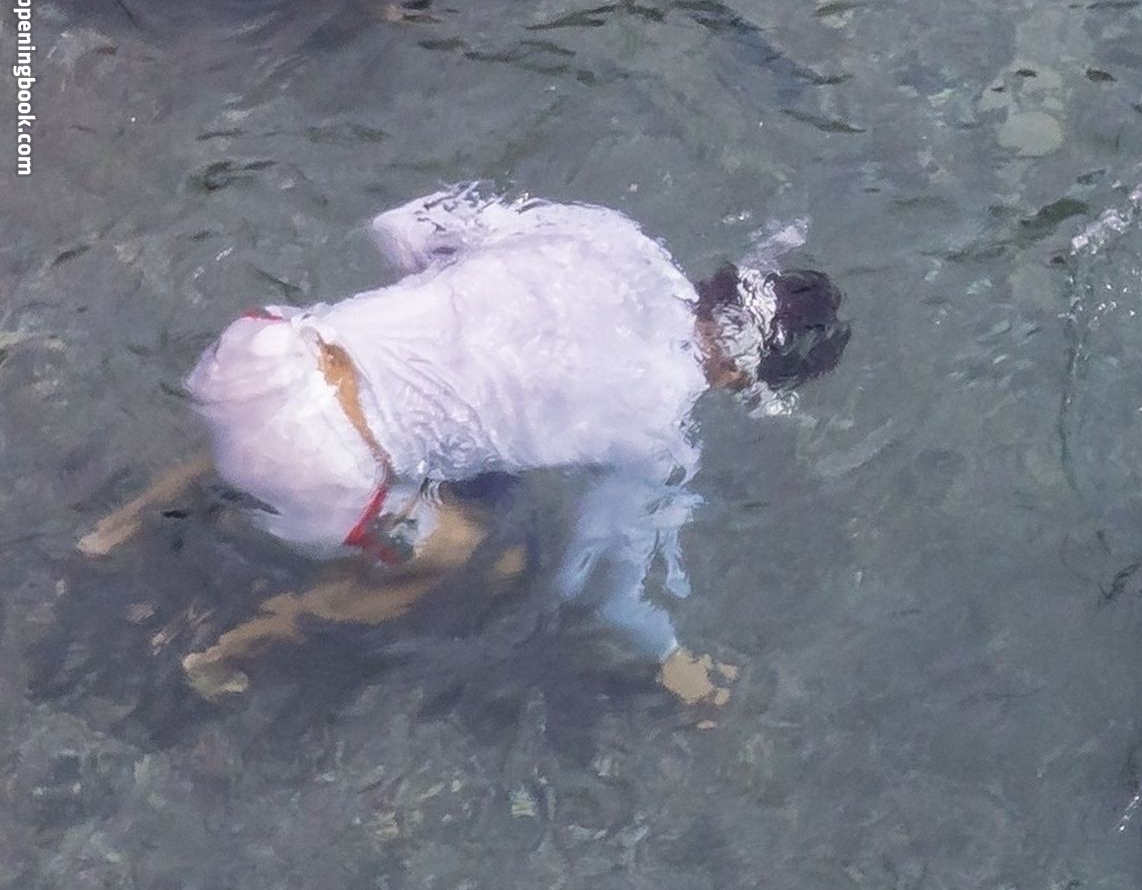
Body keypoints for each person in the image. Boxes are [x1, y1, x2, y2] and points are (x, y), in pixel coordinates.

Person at [78, 185, 850, 704]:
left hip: (257, 353)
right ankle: (234, 649)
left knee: (309, 409)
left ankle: (117, 527)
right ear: (743, 378)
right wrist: (670, 656)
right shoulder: (661, 430)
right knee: (488, 558)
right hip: (310, 473)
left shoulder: (609, 235)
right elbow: (595, 579)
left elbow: (399, 225)